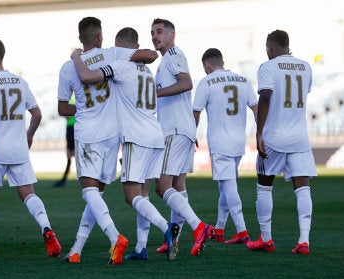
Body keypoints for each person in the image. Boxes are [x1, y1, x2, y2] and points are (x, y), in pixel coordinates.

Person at [71, 27, 182, 261]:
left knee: (131, 196)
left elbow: (87, 77)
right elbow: (150, 55)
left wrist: (76, 57)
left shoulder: (120, 66)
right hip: (155, 133)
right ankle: (141, 248)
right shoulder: (146, 72)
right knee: (142, 194)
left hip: (134, 136)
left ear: (119, 46)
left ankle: (166, 227)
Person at [57, 17, 158, 264]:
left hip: (89, 133)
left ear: (80, 38)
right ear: (100, 37)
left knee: (89, 191)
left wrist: (80, 109)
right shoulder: (114, 54)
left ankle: (115, 237)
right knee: (96, 195)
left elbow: (62, 108)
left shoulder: (68, 66)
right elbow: (150, 54)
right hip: (113, 135)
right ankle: (76, 250)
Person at [0, 39, 61, 259]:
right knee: (28, 194)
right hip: (18, 148)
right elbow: (37, 114)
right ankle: (46, 228)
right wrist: (28, 136)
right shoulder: (20, 81)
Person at [246, 30, 316, 255]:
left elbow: (265, 97)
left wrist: (259, 133)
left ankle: (266, 239)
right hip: (299, 137)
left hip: (274, 136)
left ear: (270, 47)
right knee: (302, 187)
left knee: (264, 186)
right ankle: (304, 241)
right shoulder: (306, 66)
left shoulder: (268, 67)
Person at [151, 18, 214, 256]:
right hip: (183, 129)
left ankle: (199, 227)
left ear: (171, 35)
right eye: (152, 33)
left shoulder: (174, 55)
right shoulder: (166, 60)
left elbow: (186, 83)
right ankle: (174, 240)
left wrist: (156, 93)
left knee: (162, 186)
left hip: (174, 130)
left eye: (159, 32)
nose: (155, 36)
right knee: (178, 187)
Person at [193, 48, 258, 244]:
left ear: (207, 65)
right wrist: (260, 131)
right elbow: (255, 107)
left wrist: (191, 134)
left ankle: (241, 230)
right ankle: (220, 228)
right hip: (239, 140)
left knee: (229, 186)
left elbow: (195, 112)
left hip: (220, 141)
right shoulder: (242, 80)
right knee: (225, 185)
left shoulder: (206, 82)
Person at [52, 97, 75, 187]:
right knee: (72, 154)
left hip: (72, 128)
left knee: (70, 154)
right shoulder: (76, 96)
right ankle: (64, 179)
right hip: (74, 127)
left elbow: (65, 113)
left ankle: (64, 179)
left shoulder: (70, 98)